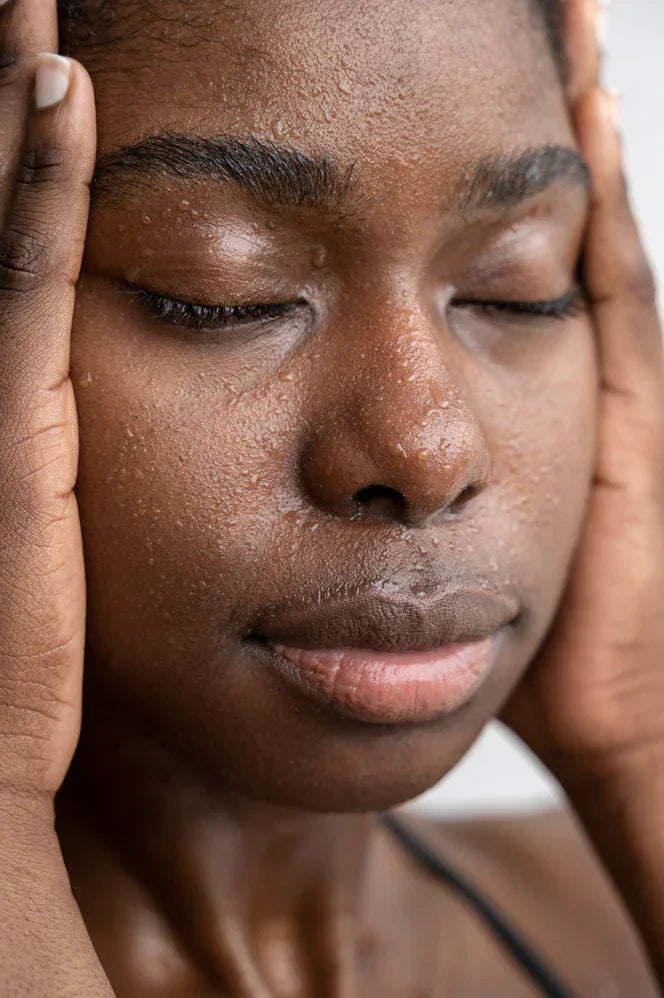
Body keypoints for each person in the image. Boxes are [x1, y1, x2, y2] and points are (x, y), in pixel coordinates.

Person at [0, 0, 662, 993]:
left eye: (512, 287)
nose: (427, 449)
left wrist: (642, 734)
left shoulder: (604, 921)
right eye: (225, 293)